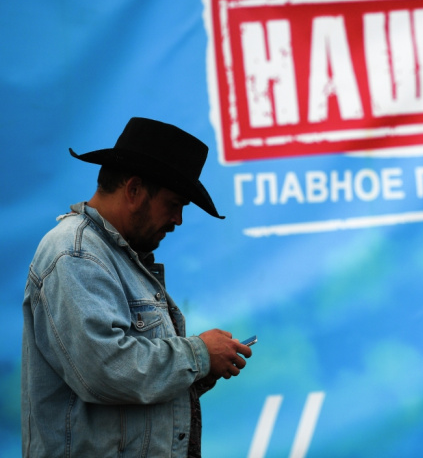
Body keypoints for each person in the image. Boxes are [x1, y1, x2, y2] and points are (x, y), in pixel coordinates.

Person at [21, 117, 252, 458]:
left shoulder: (113, 256)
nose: (178, 220)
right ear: (133, 190)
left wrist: (197, 371)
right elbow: (105, 370)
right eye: (173, 204)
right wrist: (199, 355)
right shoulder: (75, 254)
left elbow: (127, 390)